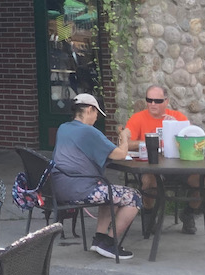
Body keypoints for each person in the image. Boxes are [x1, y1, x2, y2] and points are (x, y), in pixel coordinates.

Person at [51, 92, 140, 260]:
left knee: (109, 192)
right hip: (79, 189)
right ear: (90, 110)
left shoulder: (64, 128)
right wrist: (124, 138)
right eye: (97, 113)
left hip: (58, 188)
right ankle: (109, 243)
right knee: (133, 197)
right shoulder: (89, 132)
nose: (96, 118)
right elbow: (120, 154)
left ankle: (99, 239)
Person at [120, 86, 199, 234]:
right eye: (149, 100)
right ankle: (149, 215)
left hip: (178, 166)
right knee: (150, 181)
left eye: (157, 100)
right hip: (151, 166)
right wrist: (149, 142)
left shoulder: (177, 117)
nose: (153, 104)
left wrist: (176, 127)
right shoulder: (138, 118)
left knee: (203, 180)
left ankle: (189, 213)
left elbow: (191, 142)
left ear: (166, 101)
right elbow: (126, 143)